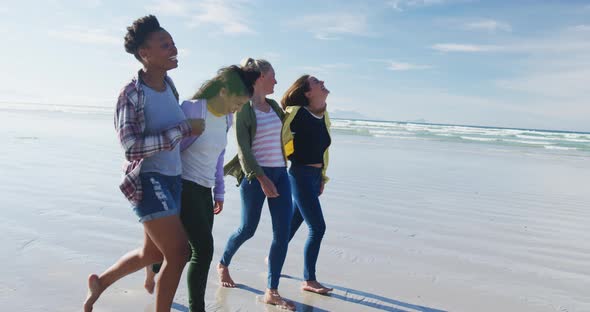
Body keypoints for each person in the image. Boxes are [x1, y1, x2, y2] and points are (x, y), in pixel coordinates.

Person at [83, 15, 204, 312]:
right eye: (165, 45)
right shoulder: (131, 93)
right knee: (178, 253)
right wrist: (184, 129)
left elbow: (174, 139)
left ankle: (102, 282)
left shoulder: (171, 86)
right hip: (148, 179)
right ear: (144, 53)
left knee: (151, 253)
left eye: (173, 43)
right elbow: (131, 147)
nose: (173, 49)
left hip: (173, 179)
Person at [144, 65, 259, 312]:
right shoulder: (193, 108)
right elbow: (172, 146)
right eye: (237, 103)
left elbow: (218, 156)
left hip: (205, 190)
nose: (237, 110)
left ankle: (154, 266)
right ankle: (197, 308)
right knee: (203, 250)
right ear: (224, 91)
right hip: (183, 185)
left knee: (182, 248)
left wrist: (219, 191)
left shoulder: (227, 118)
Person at [220, 58, 296, 310]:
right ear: (260, 77)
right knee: (247, 228)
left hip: (281, 175)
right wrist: (261, 178)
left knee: (282, 233)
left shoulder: (274, 106)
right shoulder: (244, 109)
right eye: (273, 75)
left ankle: (272, 291)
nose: (276, 80)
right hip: (255, 177)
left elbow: (287, 136)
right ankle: (223, 263)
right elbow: (243, 149)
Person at [281, 75, 333, 294]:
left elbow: (323, 149)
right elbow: (277, 138)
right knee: (318, 227)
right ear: (307, 93)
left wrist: (321, 175)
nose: (322, 81)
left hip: (313, 177)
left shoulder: (323, 116)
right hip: (300, 175)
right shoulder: (296, 114)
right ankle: (309, 280)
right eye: (315, 81)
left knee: (293, 223)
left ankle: (274, 255)